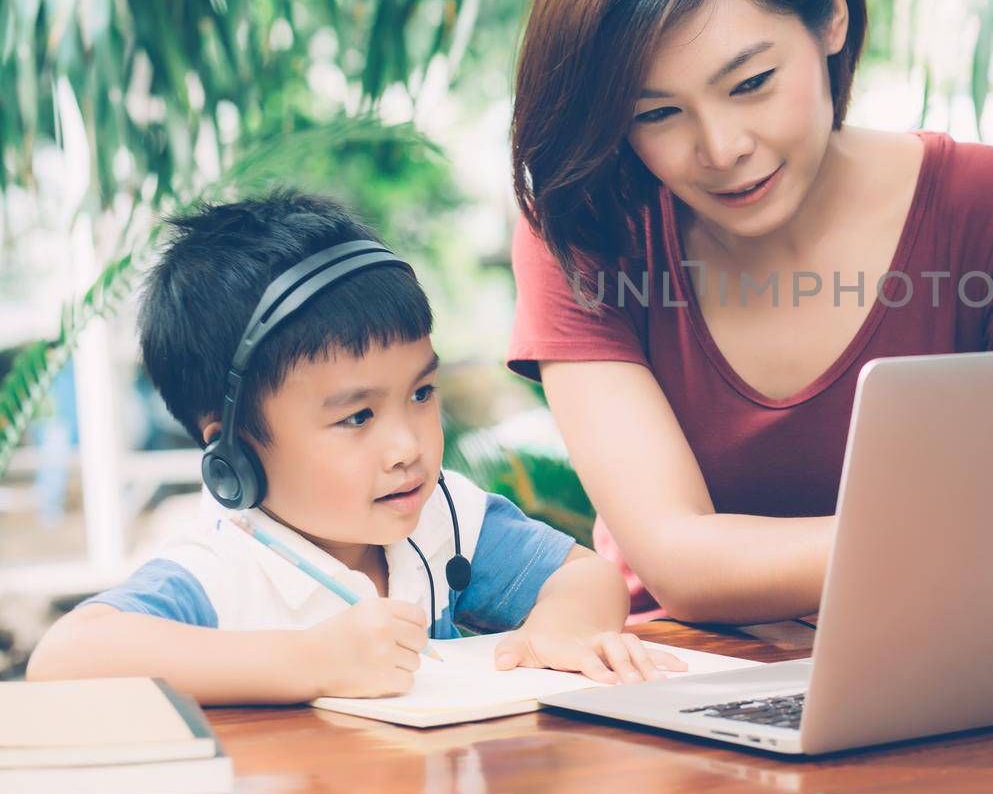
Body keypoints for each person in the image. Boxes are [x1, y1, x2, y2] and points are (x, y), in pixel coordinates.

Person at [506, 0, 993, 626]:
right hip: (679, 687)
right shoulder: (582, 223)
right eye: (656, 113)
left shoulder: (981, 207)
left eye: (752, 83)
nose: (721, 149)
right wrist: (980, 535)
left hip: (954, 662)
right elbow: (682, 560)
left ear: (831, 11)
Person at [27, 190, 683, 704]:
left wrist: (562, 627)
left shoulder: (443, 517)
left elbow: (586, 574)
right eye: (357, 416)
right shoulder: (222, 566)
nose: (407, 446)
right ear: (229, 453)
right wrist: (310, 662)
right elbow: (64, 658)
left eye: (422, 394)